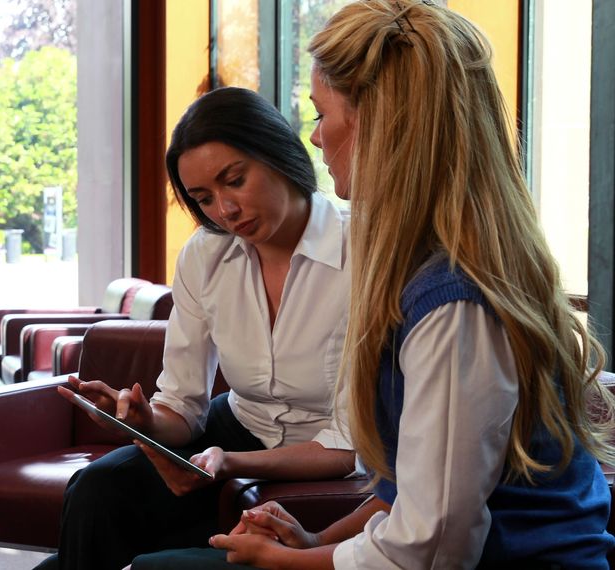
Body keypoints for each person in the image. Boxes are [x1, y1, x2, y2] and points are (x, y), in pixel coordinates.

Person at [134, 1, 615, 568]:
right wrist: (317, 542)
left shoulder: (454, 303)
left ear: (378, 124)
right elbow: (409, 496)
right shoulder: (426, 271)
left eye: (320, 113)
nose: (314, 138)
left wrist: (285, 560)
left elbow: (430, 547)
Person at [36, 87, 356, 570]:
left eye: (235, 181)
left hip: (327, 447)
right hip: (240, 425)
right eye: (204, 198)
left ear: (279, 153)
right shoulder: (206, 255)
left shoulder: (366, 248)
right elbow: (183, 406)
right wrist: (141, 421)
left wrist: (227, 461)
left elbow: (350, 445)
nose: (224, 211)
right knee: (97, 488)